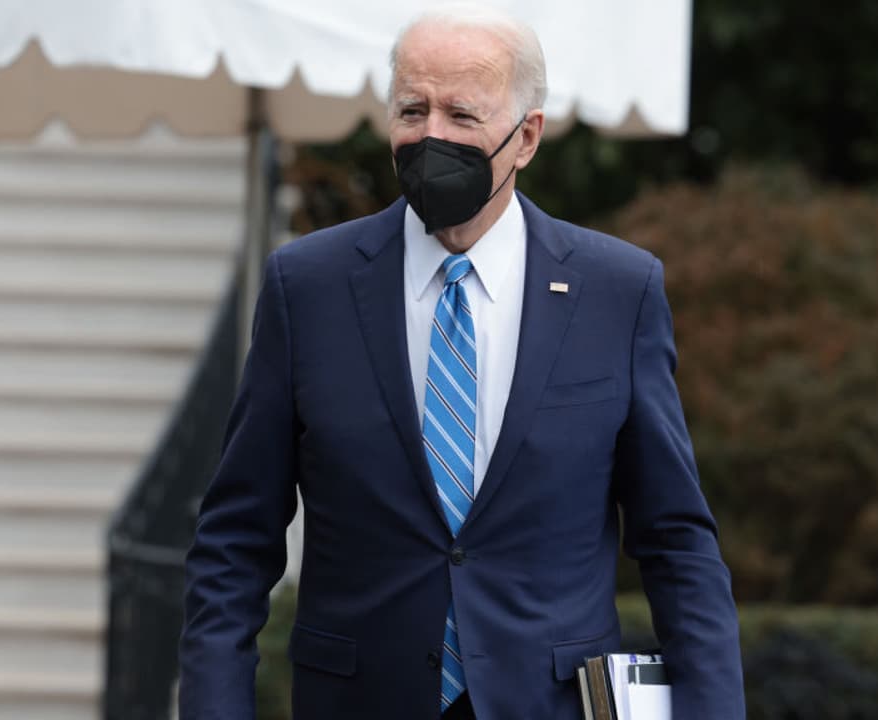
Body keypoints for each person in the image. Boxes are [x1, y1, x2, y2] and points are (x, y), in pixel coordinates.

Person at [179, 5, 746, 719]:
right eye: (412, 110)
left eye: (462, 115)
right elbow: (234, 541)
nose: (432, 136)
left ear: (526, 137)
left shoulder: (617, 292)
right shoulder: (309, 287)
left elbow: (677, 542)